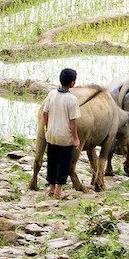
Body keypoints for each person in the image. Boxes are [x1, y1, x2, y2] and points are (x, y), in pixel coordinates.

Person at [41, 67, 81, 200]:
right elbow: (73, 121)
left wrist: (47, 127)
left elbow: (45, 113)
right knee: (63, 163)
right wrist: (75, 138)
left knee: (52, 161)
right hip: (65, 137)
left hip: (52, 134)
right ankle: (58, 190)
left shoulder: (52, 94)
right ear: (72, 83)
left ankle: (51, 187)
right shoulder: (72, 100)